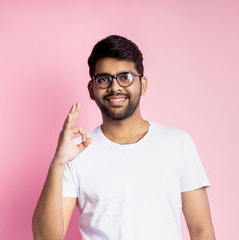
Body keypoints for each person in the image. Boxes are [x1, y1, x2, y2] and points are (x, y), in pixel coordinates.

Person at [32, 35, 216, 240]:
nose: (115, 87)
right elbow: (45, 238)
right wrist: (58, 164)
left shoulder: (178, 144)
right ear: (91, 90)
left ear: (142, 84)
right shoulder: (75, 154)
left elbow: (201, 230)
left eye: (125, 77)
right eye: (104, 79)